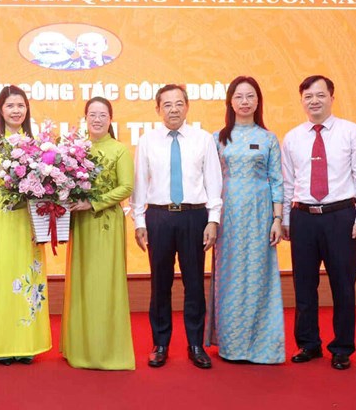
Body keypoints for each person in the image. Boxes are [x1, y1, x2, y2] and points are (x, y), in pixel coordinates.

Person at [281, 75, 356, 371]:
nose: (314, 101)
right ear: (302, 101)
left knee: (343, 285)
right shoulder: (293, 137)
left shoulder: (353, 133)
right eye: (308, 96)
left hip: (341, 217)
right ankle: (308, 344)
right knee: (304, 285)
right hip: (303, 217)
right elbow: (286, 183)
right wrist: (285, 219)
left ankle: (342, 347)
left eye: (320, 95)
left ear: (332, 97)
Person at [131, 84, 222, 370]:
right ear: (158, 109)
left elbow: (213, 182)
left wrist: (213, 219)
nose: (173, 109)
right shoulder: (147, 141)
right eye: (167, 104)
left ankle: (195, 344)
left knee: (195, 283)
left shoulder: (203, 139)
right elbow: (139, 184)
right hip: (159, 217)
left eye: (179, 103)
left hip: (194, 217)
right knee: (160, 284)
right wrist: (139, 221)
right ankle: (160, 344)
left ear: (187, 106)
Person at [205, 76, 285, 364]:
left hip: (260, 215)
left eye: (250, 96)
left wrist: (278, 218)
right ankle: (232, 344)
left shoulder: (268, 138)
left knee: (260, 277)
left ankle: (263, 345)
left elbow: (277, 181)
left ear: (258, 101)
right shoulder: (217, 138)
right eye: (238, 97)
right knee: (230, 279)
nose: (245, 102)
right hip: (227, 218)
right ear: (230, 102)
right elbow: (210, 182)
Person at [0, 85, 51, 365]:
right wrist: (12, 173)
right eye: (10, 106)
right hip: (1, 214)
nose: (16, 110)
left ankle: (25, 344)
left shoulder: (38, 144)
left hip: (28, 217)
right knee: (0, 275)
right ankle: (0, 346)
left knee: (27, 274)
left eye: (21, 105)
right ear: (0, 110)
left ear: (27, 109)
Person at [62, 97, 135, 370]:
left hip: (105, 224)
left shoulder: (119, 150)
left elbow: (126, 187)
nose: (97, 119)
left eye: (102, 114)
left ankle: (107, 351)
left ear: (111, 119)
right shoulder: (75, 150)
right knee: (82, 284)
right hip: (80, 225)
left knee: (103, 285)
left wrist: (92, 202)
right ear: (85, 118)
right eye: (92, 114)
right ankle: (80, 349)